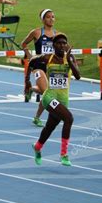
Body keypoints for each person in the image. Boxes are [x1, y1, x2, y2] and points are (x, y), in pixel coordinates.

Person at [27, 33, 81, 166]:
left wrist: (69, 61)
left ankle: (37, 146)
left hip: (63, 99)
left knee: (50, 127)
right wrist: (27, 82)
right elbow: (32, 62)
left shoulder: (70, 57)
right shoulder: (47, 58)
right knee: (69, 118)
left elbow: (78, 76)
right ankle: (64, 154)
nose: (62, 45)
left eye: (64, 43)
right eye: (59, 43)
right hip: (49, 97)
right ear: (54, 45)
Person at [21, 9, 56, 127]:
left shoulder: (57, 34)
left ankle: (31, 90)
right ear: (43, 19)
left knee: (47, 93)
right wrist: (30, 56)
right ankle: (40, 118)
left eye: (53, 17)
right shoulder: (36, 32)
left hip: (51, 67)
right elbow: (23, 44)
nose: (51, 19)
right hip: (38, 66)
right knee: (47, 92)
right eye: (48, 17)